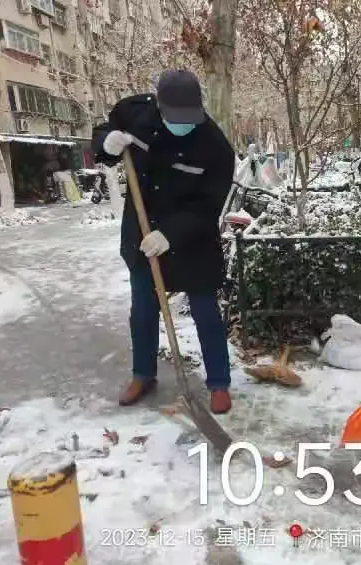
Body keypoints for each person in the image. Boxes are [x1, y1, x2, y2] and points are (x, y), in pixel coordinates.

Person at [92, 69, 235, 414]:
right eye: (176, 117)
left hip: (191, 239)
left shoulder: (215, 147)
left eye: (190, 118)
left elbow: (209, 206)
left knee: (205, 311)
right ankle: (143, 374)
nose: (183, 124)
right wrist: (107, 144)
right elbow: (103, 132)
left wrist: (170, 234)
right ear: (159, 106)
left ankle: (219, 383)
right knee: (143, 310)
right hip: (142, 233)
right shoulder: (134, 114)